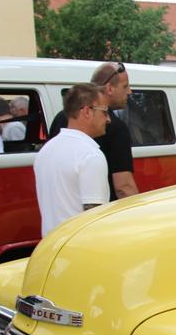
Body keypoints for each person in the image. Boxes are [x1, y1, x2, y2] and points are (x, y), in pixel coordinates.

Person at [49, 61, 138, 200]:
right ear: (109, 88)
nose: (129, 91)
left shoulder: (60, 120)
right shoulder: (116, 128)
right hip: (99, 216)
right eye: (125, 86)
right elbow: (123, 187)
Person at [34, 84, 111, 236]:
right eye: (105, 112)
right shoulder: (90, 155)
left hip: (51, 246)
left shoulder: (46, 150)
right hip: (79, 249)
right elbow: (94, 219)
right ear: (87, 111)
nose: (108, 119)